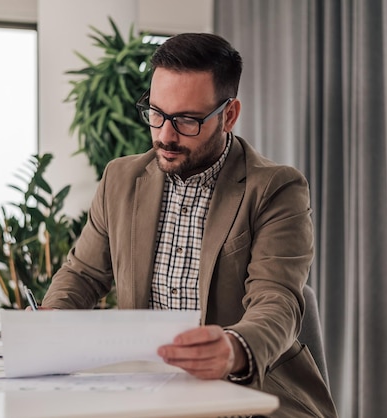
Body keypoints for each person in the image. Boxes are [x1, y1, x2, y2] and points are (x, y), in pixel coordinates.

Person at [42, 32, 337, 417]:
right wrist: (50, 323)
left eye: (186, 121)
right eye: (157, 113)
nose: (165, 135)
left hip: (252, 396)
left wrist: (233, 349)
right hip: (151, 393)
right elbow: (83, 274)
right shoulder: (121, 179)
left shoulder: (275, 188)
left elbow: (277, 300)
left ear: (228, 115)